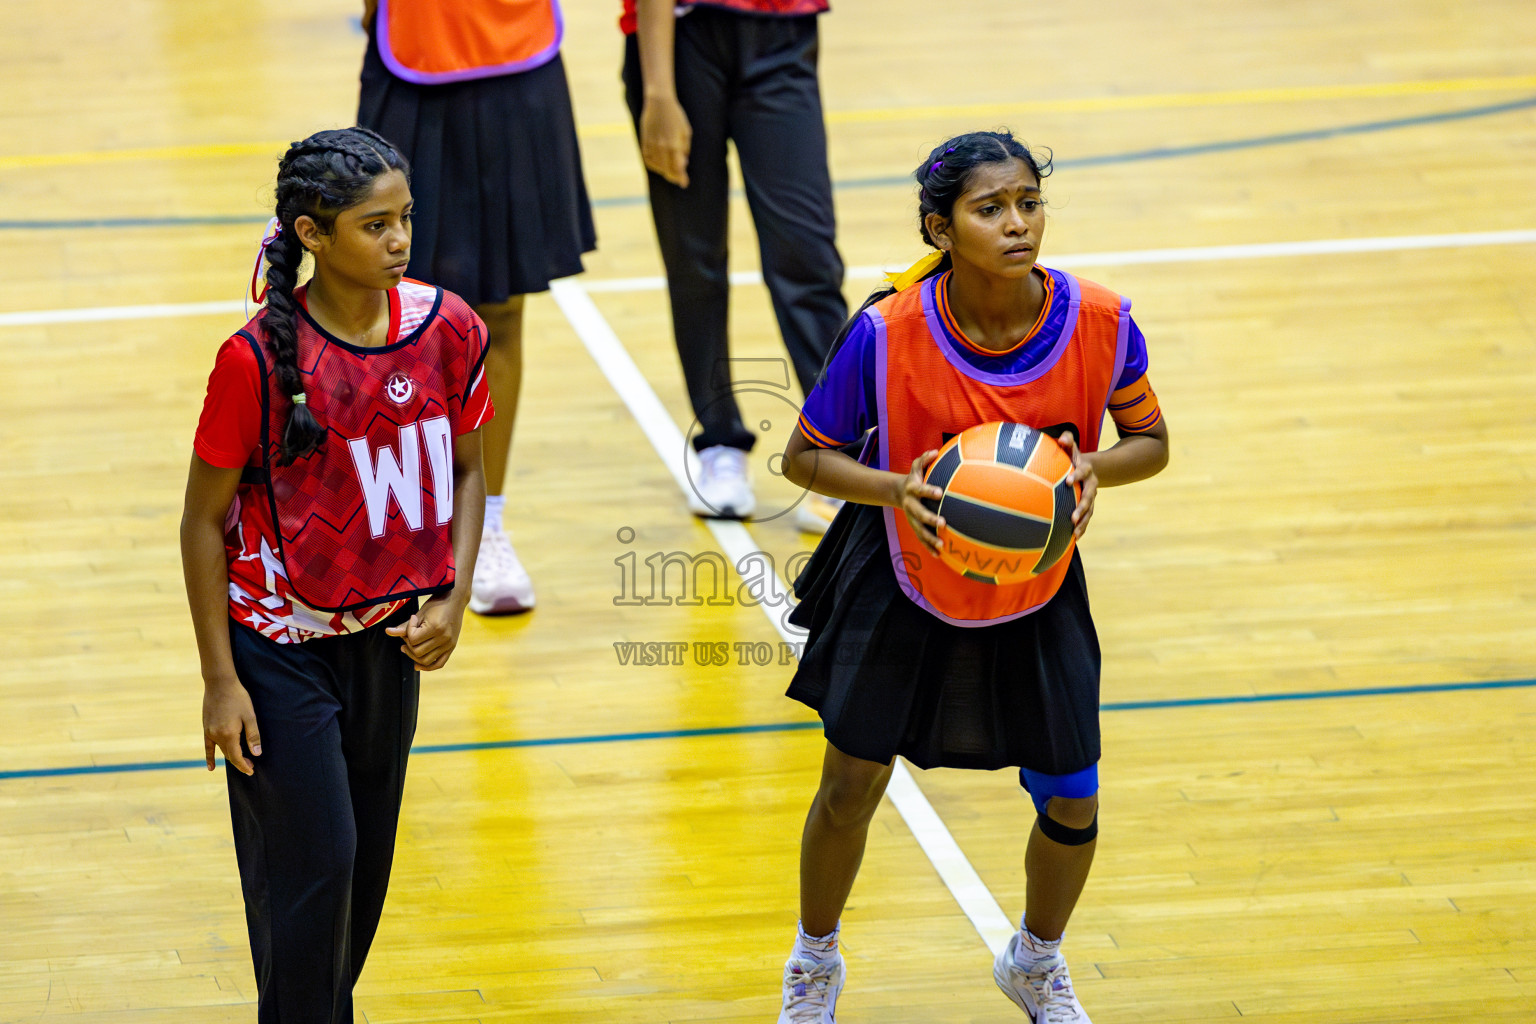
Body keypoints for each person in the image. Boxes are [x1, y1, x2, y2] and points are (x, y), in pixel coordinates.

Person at [774, 130, 1171, 1024]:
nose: (1017, 223)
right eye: (989, 209)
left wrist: (1089, 471)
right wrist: (893, 487)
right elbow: (805, 457)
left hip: (1036, 577)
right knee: (849, 787)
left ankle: (1035, 960)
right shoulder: (887, 329)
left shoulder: (1103, 321)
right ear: (940, 228)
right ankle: (814, 961)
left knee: (1074, 797)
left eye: (1029, 203)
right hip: (904, 566)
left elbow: (1151, 444)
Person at [180, 127, 491, 1023]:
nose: (399, 240)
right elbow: (202, 522)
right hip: (279, 650)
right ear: (313, 235)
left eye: (405, 220)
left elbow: (471, 471)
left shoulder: (449, 329)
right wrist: (219, 681)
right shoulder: (255, 362)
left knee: (364, 874)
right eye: (374, 225)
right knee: (318, 868)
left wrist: (454, 594)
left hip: (389, 642)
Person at [360, 0, 597, 613]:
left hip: (519, 59)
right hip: (411, 56)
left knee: (503, 312)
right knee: (393, 302)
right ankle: (398, 518)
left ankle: (485, 524)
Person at [623, 0, 848, 530]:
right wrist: (658, 91)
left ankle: (839, 447)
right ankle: (720, 441)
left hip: (784, 31)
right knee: (695, 258)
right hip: (679, 42)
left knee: (807, 254)